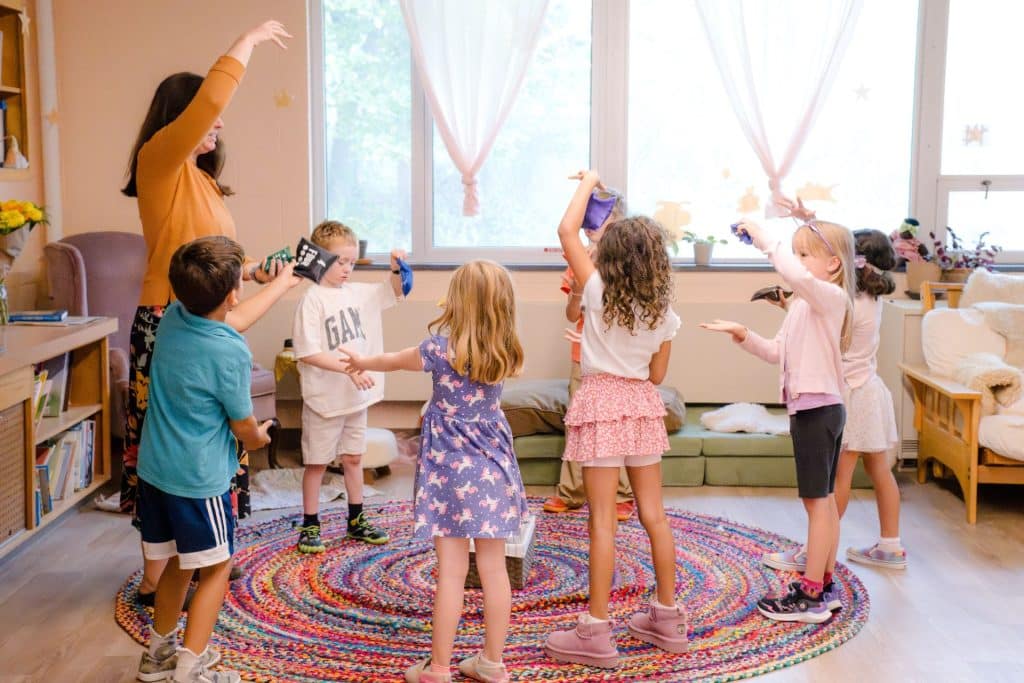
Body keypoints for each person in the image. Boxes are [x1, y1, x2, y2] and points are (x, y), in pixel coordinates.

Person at [121, 19, 297, 604]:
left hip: (204, 312)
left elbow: (208, 253)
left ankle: (208, 552)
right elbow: (213, 101)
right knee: (169, 447)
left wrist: (252, 274)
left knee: (214, 439)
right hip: (167, 319)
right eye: (205, 117)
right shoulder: (160, 162)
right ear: (181, 118)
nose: (218, 126)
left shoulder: (200, 182)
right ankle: (158, 575)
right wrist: (246, 41)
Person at [343, 260, 528, 683]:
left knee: (451, 573)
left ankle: (439, 669)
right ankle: (492, 664)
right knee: (495, 570)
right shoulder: (507, 351)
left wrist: (362, 359)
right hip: (492, 474)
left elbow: (391, 360)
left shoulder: (438, 350)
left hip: (450, 478)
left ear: (457, 302)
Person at [544, 171, 686, 670]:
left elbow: (566, 231)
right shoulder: (664, 308)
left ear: (612, 255)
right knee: (655, 516)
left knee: (601, 521)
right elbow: (657, 372)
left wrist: (591, 182)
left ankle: (596, 631)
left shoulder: (598, 289)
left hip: (602, 403)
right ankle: (667, 617)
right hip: (643, 405)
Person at [702, 204, 856, 623]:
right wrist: (743, 334)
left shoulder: (831, 297)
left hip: (818, 409)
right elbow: (776, 352)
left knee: (816, 503)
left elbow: (796, 277)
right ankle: (821, 585)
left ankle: (810, 595)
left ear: (833, 264)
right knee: (821, 503)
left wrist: (766, 239)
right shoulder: (806, 308)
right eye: (797, 252)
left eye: (806, 254)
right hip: (815, 407)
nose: (799, 262)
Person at [135, 236, 273, 683]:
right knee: (216, 568)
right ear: (233, 295)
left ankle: (158, 656)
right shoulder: (230, 350)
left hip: (156, 471)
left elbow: (222, 314)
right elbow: (243, 427)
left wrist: (271, 277)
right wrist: (260, 439)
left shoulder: (173, 316)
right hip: (199, 480)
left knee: (178, 559)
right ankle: (191, 669)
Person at [756, 210, 906, 572]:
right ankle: (891, 544)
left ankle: (815, 551)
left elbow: (827, 329)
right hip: (870, 389)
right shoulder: (872, 299)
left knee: (834, 481)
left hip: (849, 392)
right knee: (880, 470)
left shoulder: (846, 301)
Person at [292, 221, 407, 552]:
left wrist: (398, 269)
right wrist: (349, 369)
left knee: (354, 459)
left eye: (352, 262)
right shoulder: (312, 300)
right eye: (340, 261)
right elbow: (309, 352)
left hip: (355, 399)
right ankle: (310, 525)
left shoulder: (359, 294)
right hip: (324, 401)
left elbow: (395, 290)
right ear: (318, 258)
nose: (347, 269)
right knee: (316, 464)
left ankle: (356, 520)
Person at [543, 185, 636, 523]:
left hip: (619, 358)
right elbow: (571, 314)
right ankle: (571, 492)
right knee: (578, 422)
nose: (588, 225)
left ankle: (622, 495)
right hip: (583, 355)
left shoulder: (629, 260)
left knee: (616, 423)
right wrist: (580, 287)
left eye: (597, 217)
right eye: (585, 220)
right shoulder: (577, 258)